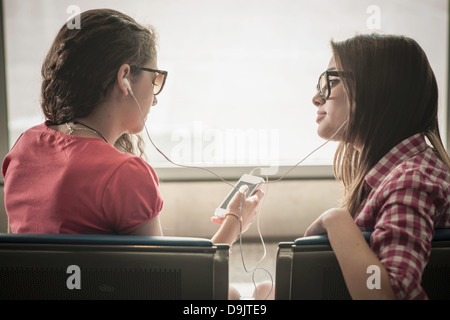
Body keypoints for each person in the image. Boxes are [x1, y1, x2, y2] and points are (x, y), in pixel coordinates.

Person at [2, 9, 263, 257]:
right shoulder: (125, 175)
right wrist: (234, 224)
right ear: (124, 77)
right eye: (155, 79)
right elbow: (168, 285)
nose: (155, 100)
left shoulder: (24, 147)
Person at [256, 34, 450, 300]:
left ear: (376, 90)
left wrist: (337, 221)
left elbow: (385, 294)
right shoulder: (406, 172)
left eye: (330, 82)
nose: (316, 97)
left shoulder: (411, 181)